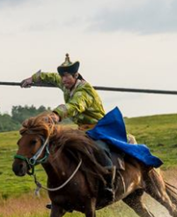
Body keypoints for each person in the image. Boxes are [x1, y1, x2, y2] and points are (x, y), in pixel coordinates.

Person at [21, 54, 115, 201]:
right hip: (82, 129)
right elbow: (51, 78)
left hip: (98, 128)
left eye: (67, 76)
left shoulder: (84, 91)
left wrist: (56, 115)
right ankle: (66, 195)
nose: (63, 80)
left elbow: (75, 106)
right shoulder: (66, 83)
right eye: (62, 77)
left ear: (75, 75)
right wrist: (32, 79)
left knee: (100, 149)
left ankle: (108, 186)